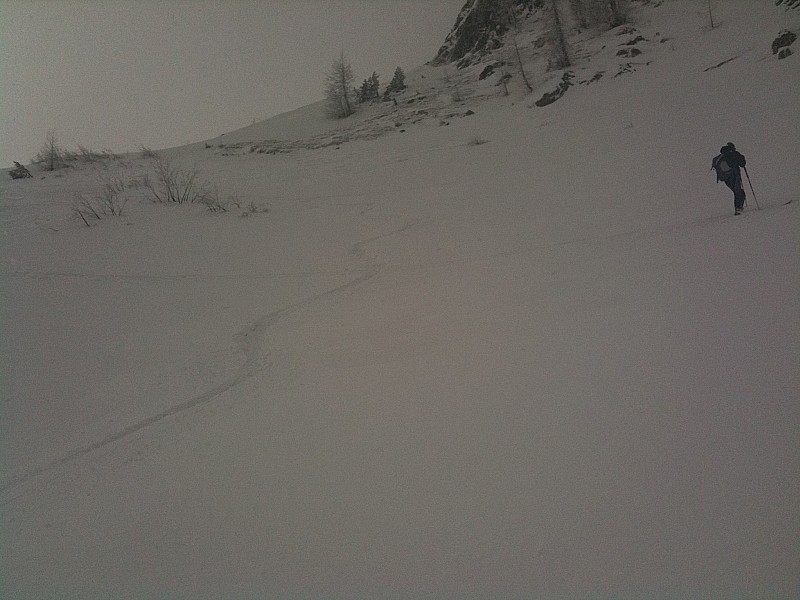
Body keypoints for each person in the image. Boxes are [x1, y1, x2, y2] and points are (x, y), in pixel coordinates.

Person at [712, 142, 747, 215]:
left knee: (736, 191)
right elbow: (742, 164)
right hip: (734, 175)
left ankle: (738, 208)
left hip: (726, 178)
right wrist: (742, 158)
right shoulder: (735, 154)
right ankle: (738, 208)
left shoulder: (722, 156)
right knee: (738, 192)